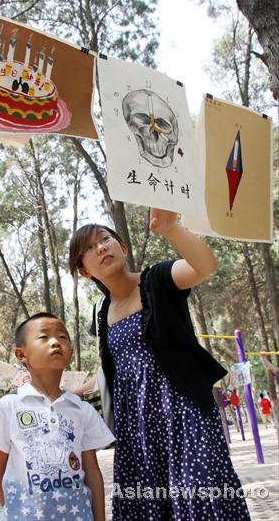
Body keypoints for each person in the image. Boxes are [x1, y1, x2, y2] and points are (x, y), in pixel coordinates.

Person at [69, 208, 251, 520]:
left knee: (199, 495)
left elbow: (204, 265)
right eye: (88, 248)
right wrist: (72, 393)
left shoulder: (158, 280)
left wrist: (171, 228)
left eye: (106, 239)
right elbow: (111, 369)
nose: (100, 248)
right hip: (136, 429)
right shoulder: (101, 315)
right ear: (84, 271)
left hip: (185, 415)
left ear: (122, 248)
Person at [0, 312, 114, 521]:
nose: (55, 342)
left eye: (62, 337)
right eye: (44, 337)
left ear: (70, 352)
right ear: (21, 354)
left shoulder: (82, 410)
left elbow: (93, 476)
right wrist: (17, 510)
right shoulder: (10, 407)